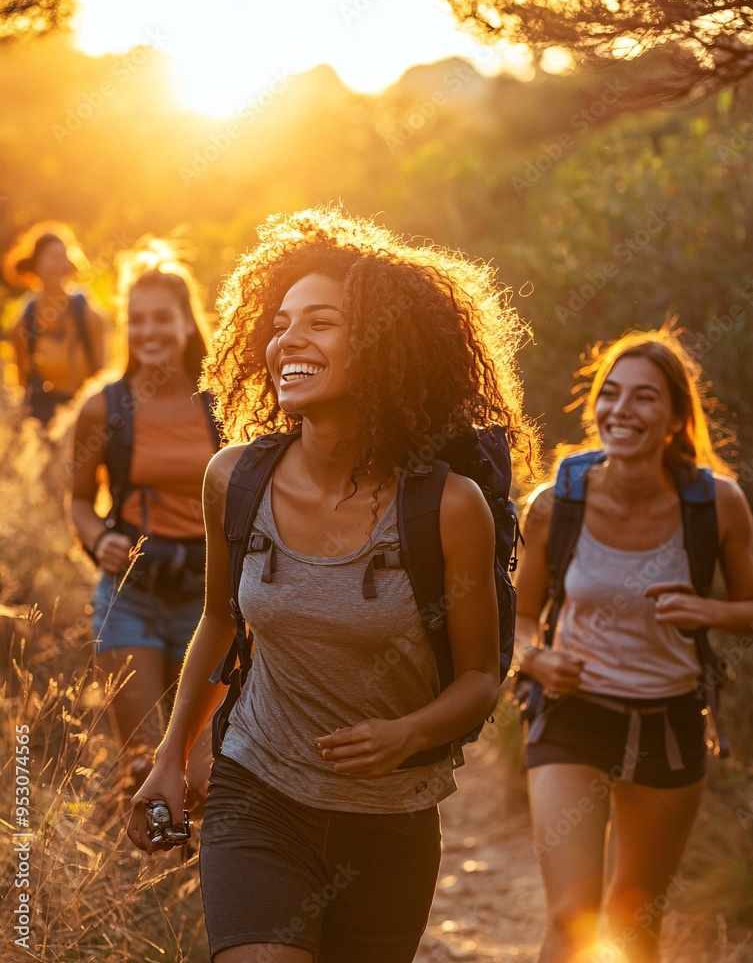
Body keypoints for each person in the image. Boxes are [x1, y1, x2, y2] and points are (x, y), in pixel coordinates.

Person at [126, 207, 536, 962]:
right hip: (257, 796)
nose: (288, 341)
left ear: (381, 344)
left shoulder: (446, 508)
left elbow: (480, 674)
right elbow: (219, 623)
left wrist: (407, 732)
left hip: (389, 821)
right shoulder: (235, 478)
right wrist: (170, 758)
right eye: (281, 323)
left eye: (321, 322)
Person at [514, 328, 753, 963]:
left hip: (670, 720)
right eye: (610, 395)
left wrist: (707, 609)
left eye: (644, 398)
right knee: (573, 919)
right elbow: (516, 619)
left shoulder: (717, 505)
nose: (622, 411)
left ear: (676, 418)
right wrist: (535, 657)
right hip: (573, 716)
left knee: (636, 918)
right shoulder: (554, 505)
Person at [69, 239, 220, 802]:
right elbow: (79, 502)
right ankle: (146, 885)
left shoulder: (223, 404)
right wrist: (99, 539)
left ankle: (209, 887)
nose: (149, 331)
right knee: (143, 766)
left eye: (162, 318)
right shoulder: (102, 408)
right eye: (137, 320)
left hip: (211, 602)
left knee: (205, 777)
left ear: (187, 323)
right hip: (130, 598)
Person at [3, 222, 105, 424]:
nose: (59, 264)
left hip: (84, 412)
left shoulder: (88, 314)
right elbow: (23, 382)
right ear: (36, 265)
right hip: (43, 417)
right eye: (52, 257)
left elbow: (101, 374)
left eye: (63, 257)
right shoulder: (24, 321)